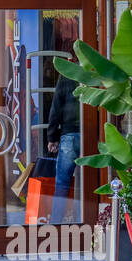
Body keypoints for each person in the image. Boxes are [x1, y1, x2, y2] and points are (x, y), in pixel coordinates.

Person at [45, 70, 81, 225]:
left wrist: (52, 137)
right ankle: (86, 222)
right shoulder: (97, 71)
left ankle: (55, 225)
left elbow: (56, 107)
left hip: (68, 135)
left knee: (62, 185)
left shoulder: (68, 73)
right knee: (90, 183)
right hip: (94, 136)